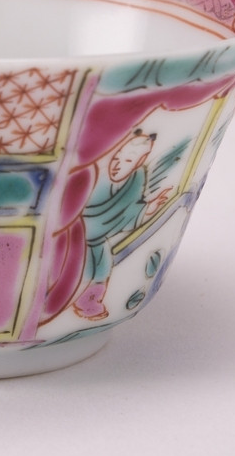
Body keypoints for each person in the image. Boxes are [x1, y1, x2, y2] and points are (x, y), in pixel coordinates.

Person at [72, 129, 170, 319]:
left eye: (128, 161)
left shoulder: (136, 179)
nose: (118, 165)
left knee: (103, 265)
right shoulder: (96, 174)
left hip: (97, 239)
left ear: (139, 162)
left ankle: (88, 302)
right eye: (117, 158)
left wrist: (152, 206)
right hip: (74, 233)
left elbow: (131, 210)